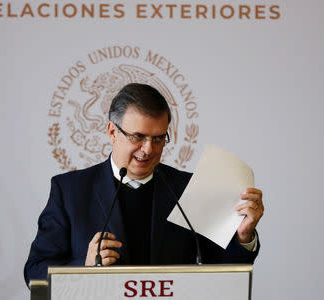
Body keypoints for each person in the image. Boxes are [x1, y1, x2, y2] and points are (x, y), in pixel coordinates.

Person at [24, 83, 264, 285]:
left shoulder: (189, 188)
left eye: (159, 138)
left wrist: (243, 238)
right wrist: (83, 268)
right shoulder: (70, 191)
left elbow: (221, 273)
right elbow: (35, 272)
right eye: (138, 137)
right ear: (112, 132)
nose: (148, 150)